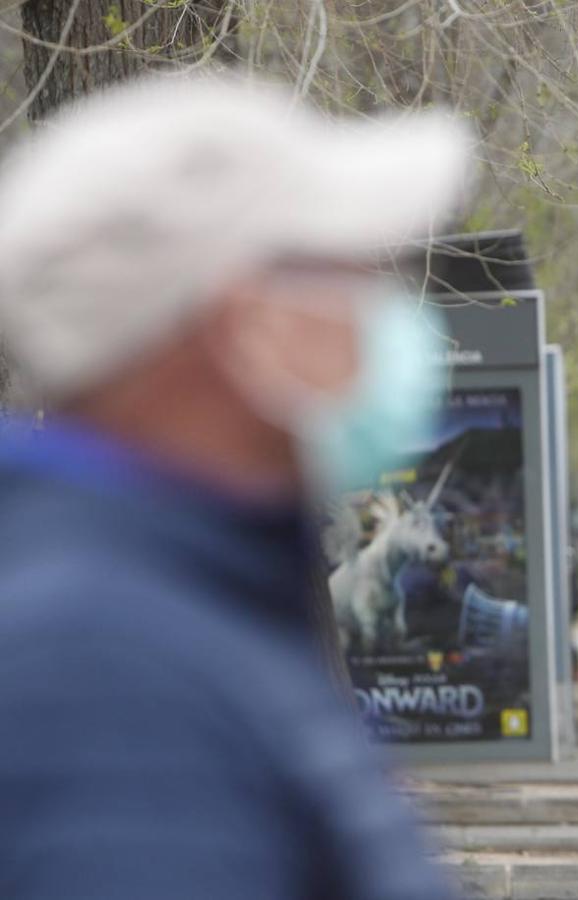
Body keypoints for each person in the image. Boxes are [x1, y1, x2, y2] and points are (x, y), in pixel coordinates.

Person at [0, 74, 473, 899]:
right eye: (340, 268)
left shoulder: (185, 601)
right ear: (235, 323)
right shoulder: (104, 668)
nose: (385, 308)